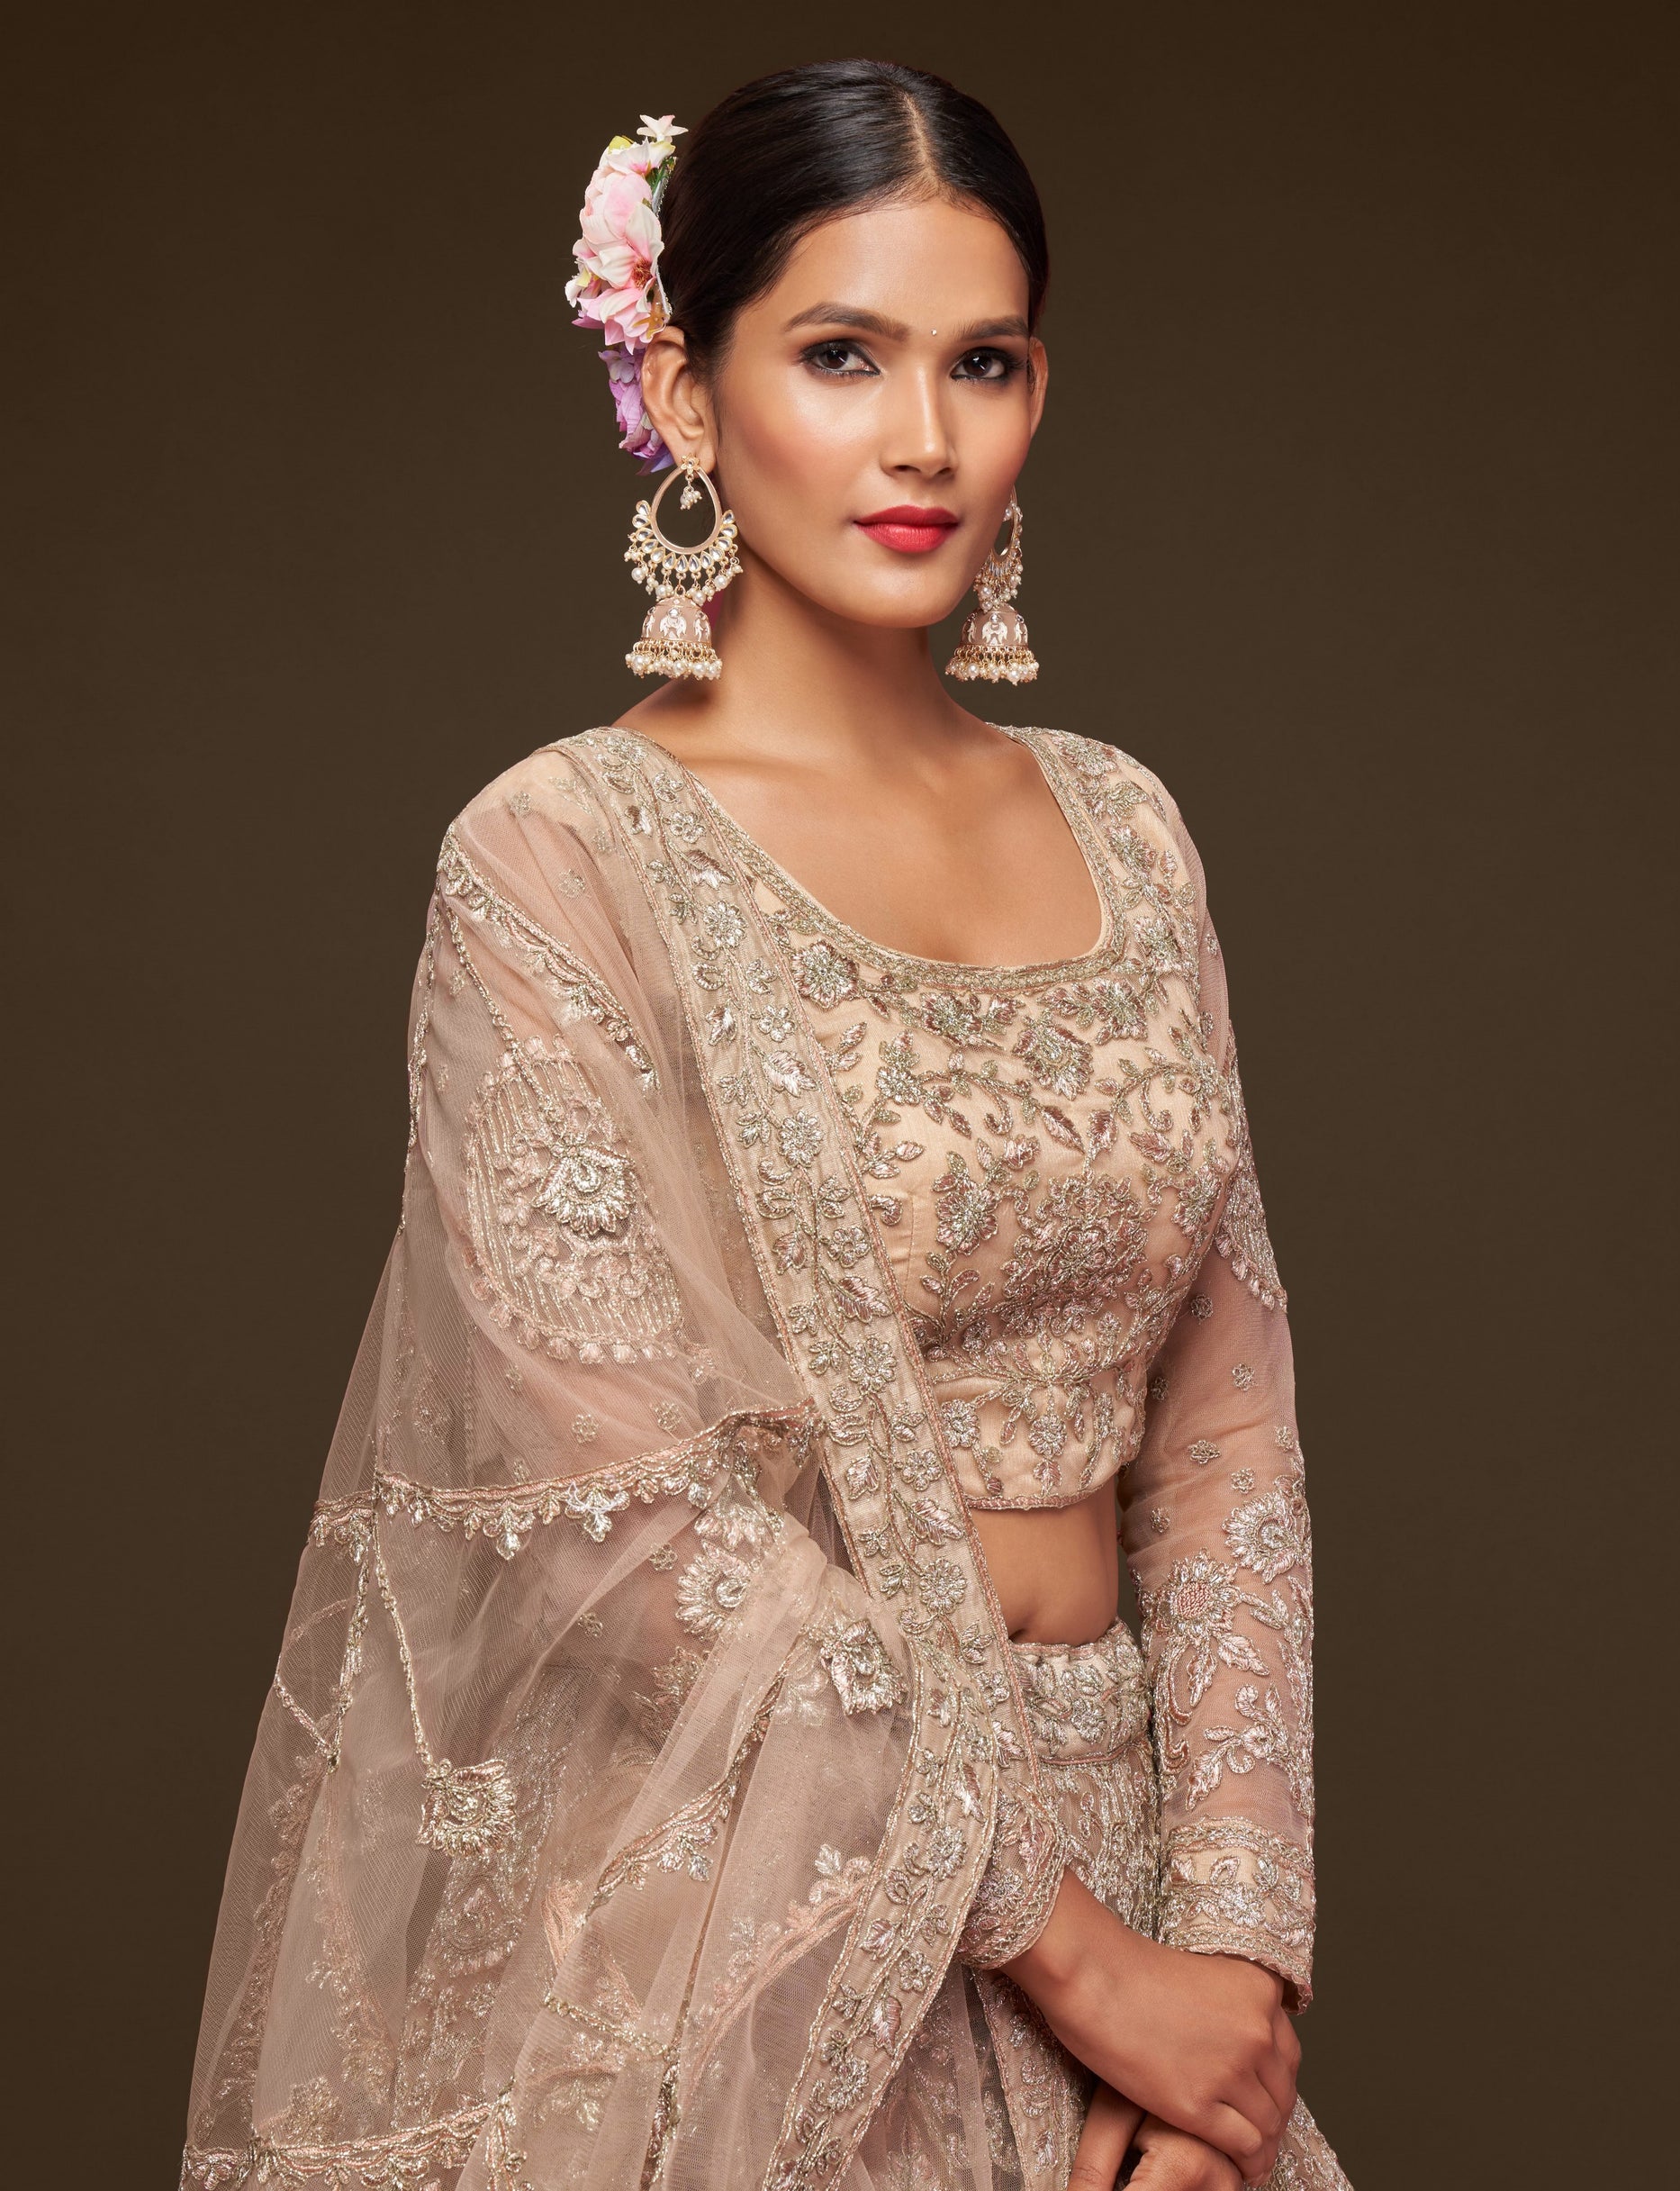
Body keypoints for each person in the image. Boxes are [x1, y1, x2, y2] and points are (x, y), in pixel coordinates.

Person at [182, 60, 1350, 2191]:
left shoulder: (1128, 827)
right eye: (839, 355)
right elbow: (626, 1520)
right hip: (759, 1937)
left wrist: (1235, 1980)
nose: (924, 440)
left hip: (1148, 1946)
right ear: (685, 391)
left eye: (981, 362)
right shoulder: (559, 858)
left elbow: (1224, 1427)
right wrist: (1077, 1958)